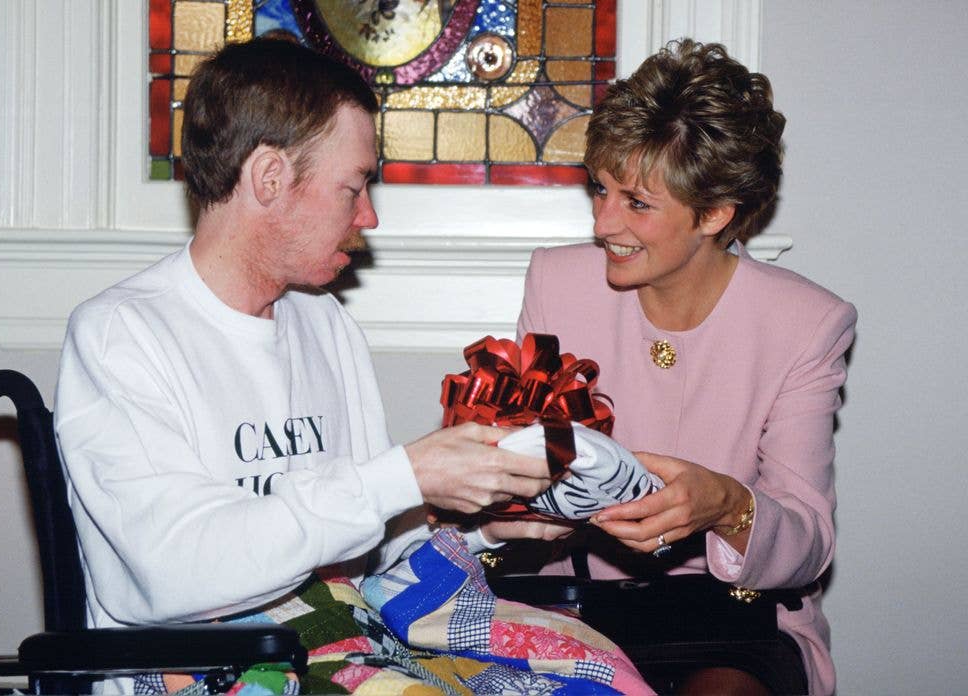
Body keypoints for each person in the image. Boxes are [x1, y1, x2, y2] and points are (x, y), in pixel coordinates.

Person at [53, 38, 556, 685]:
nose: (368, 216)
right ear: (269, 177)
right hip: (196, 666)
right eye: (353, 187)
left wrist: (489, 527)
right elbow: (176, 573)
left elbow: (365, 550)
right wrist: (402, 475)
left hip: (340, 636)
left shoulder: (324, 323)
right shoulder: (121, 334)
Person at [514, 39, 856, 695]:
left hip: (734, 622)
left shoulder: (807, 323)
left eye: (637, 202)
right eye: (600, 189)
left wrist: (727, 505)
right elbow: (526, 474)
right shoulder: (556, 283)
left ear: (715, 213)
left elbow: (809, 543)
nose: (603, 221)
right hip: (578, 613)